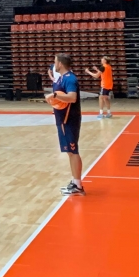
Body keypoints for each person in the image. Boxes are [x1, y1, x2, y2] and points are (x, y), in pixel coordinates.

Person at [45, 53, 83, 195]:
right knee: (70, 152)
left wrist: (54, 95)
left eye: (55, 61)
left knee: (73, 151)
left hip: (69, 119)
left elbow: (72, 98)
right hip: (62, 119)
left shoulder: (70, 78)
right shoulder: (61, 78)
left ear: (60, 64)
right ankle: (75, 182)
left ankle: (78, 185)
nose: (54, 64)